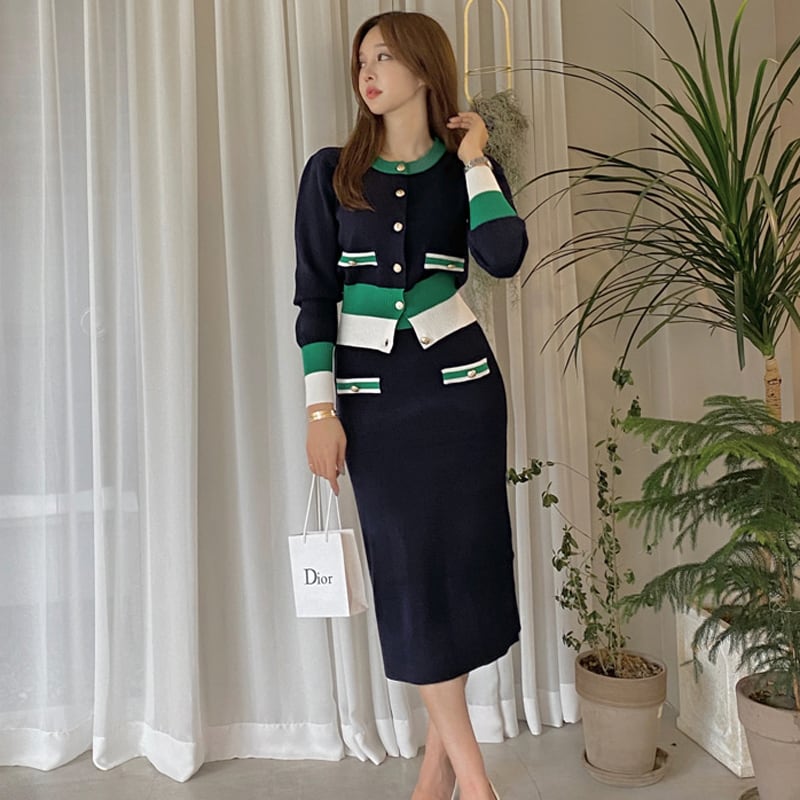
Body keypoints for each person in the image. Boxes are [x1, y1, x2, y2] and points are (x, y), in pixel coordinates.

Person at [293, 11, 528, 800]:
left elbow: (503, 255)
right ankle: (477, 781)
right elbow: (315, 301)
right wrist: (319, 412)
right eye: (362, 59)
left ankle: (438, 772)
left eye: (385, 56)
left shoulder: (465, 169)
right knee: (407, 575)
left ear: (426, 69)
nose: (368, 71)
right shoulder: (330, 173)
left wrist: (476, 159)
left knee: (458, 569)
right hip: (374, 407)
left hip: (462, 398)